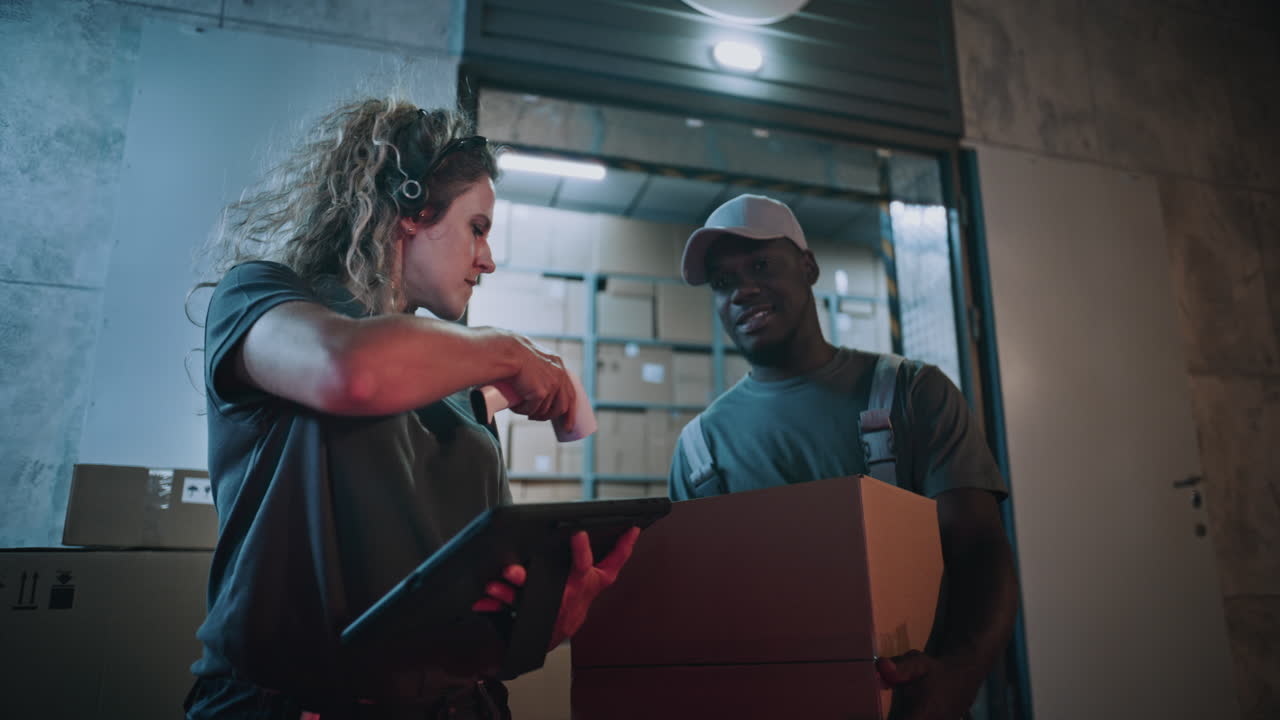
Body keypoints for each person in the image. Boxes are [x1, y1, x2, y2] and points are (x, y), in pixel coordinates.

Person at [184, 98, 639, 720]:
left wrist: (538, 620)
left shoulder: (458, 389)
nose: (488, 259)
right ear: (407, 211)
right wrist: (505, 350)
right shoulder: (260, 299)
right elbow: (351, 372)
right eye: (477, 228)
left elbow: (456, 604)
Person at [668, 194, 1019, 720]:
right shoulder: (701, 449)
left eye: (761, 265)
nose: (742, 290)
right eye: (723, 281)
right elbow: (699, 614)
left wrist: (956, 680)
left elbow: (981, 555)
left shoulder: (911, 395)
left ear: (807, 267)